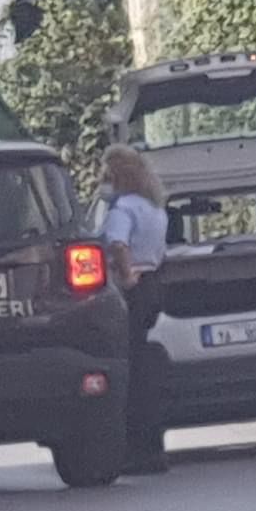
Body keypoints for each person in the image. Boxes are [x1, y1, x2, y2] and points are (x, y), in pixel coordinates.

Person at [101, 145, 171, 476]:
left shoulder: (123, 208)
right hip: (153, 284)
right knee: (143, 368)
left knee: (127, 370)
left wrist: (126, 275)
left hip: (131, 290)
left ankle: (133, 448)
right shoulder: (154, 207)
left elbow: (117, 244)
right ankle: (152, 448)